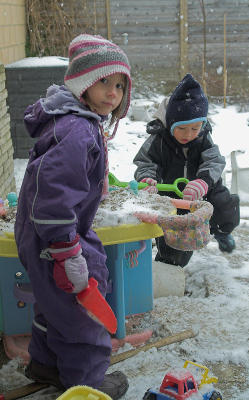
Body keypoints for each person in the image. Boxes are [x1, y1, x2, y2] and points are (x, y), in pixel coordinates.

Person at [14, 34, 131, 399]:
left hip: (49, 233)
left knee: (55, 304)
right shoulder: (77, 130)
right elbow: (53, 198)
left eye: (118, 85)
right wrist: (67, 253)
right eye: (103, 82)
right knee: (83, 310)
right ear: (82, 82)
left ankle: (47, 364)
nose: (112, 93)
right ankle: (86, 382)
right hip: (56, 235)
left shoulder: (78, 121)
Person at [133, 73, 240, 267]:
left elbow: (215, 161)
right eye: (181, 128)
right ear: (172, 122)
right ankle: (168, 262)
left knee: (223, 204)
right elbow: (145, 162)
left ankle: (221, 231)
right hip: (169, 191)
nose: (188, 134)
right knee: (175, 235)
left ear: (202, 124)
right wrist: (147, 178)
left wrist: (203, 181)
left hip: (201, 189)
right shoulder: (159, 140)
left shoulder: (203, 138)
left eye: (195, 128)